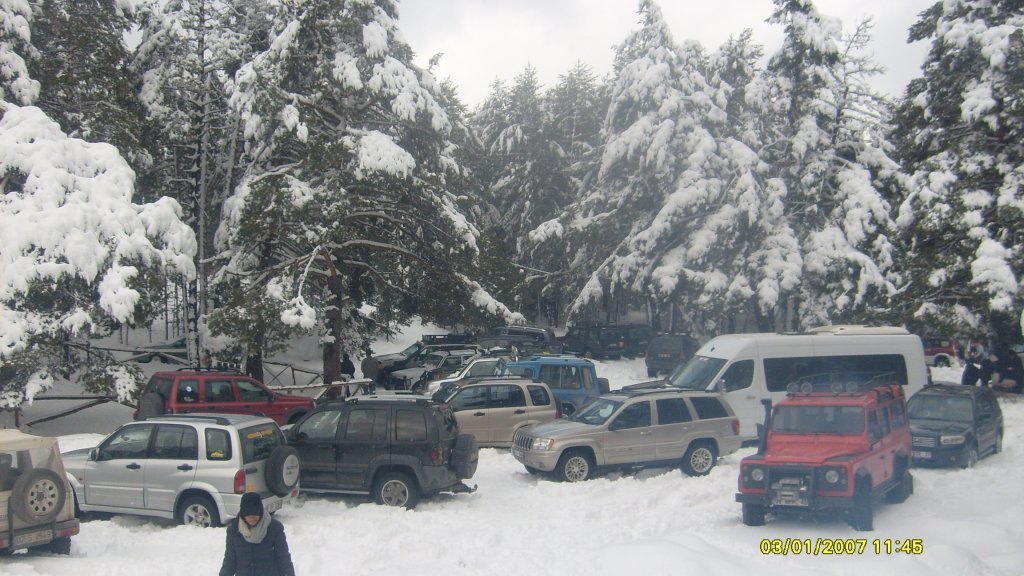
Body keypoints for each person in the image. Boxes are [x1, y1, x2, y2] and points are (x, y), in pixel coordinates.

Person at [219, 492, 295, 576]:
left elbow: (283, 558)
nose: (252, 518)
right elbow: (230, 560)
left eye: (255, 515)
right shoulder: (234, 531)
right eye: (248, 515)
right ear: (243, 514)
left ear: (261, 512)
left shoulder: (274, 529)